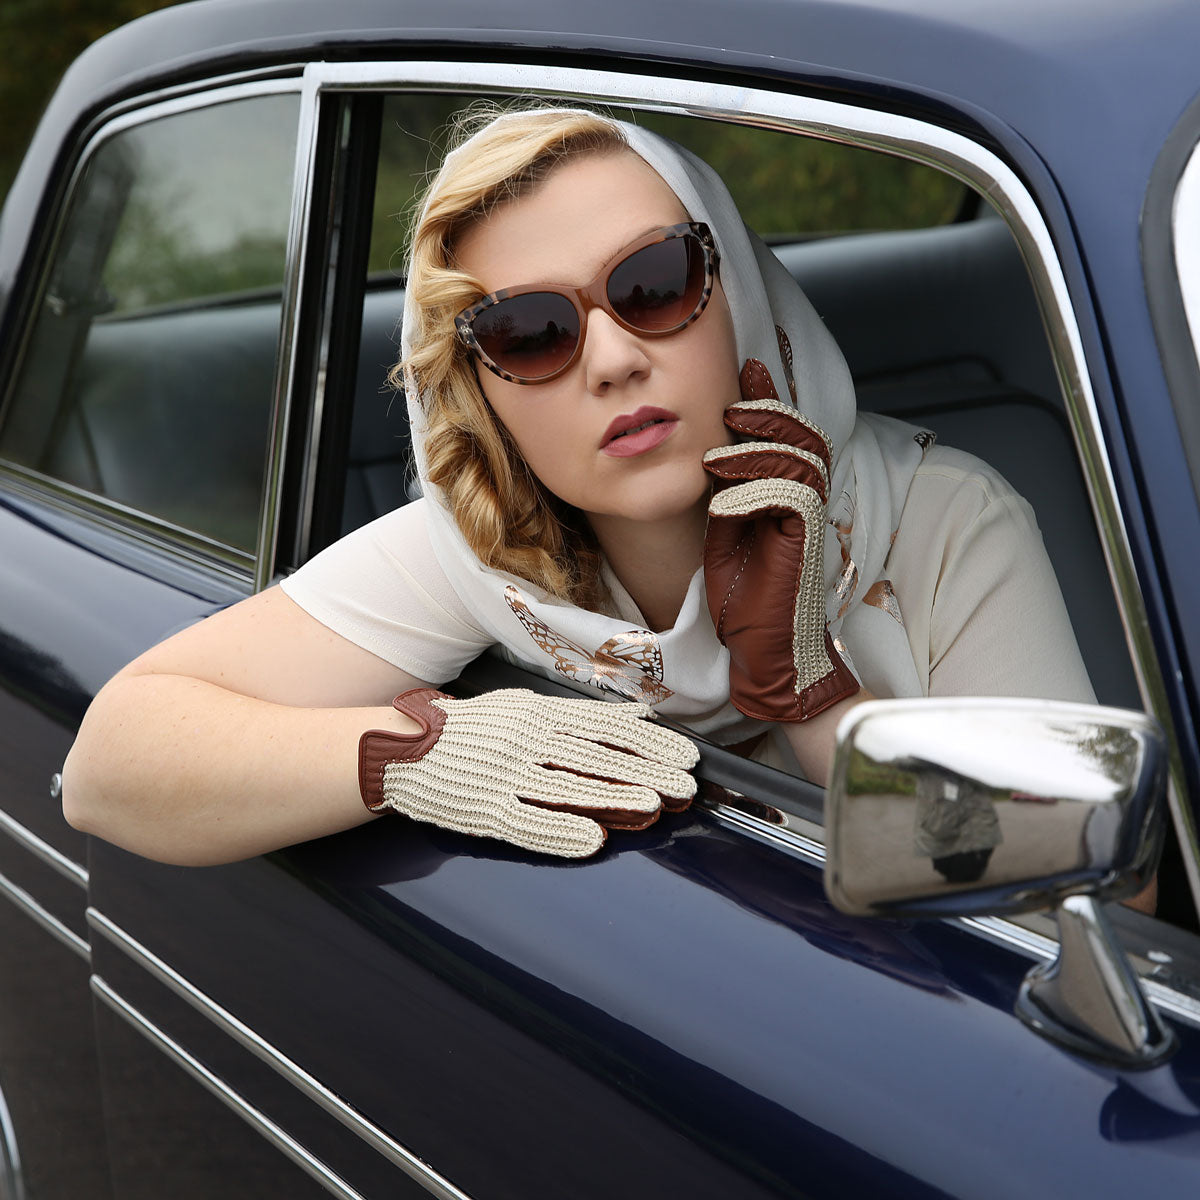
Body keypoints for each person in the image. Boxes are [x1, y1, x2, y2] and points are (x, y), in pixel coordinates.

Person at [60, 105, 1101, 877]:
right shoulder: (482, 558)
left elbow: (1106, 901)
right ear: (482, 388)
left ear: (734, 294)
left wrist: (807, 694)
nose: (609, 360)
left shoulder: (946, 521)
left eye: (654, 284)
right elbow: (115, 763)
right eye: (531, 332)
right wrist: (421, 752)